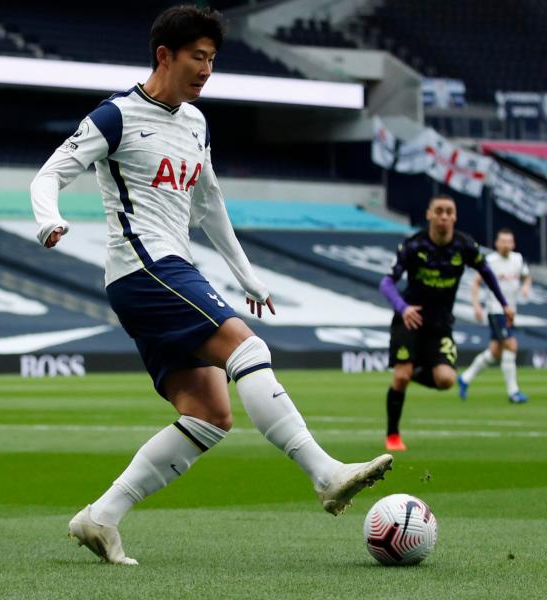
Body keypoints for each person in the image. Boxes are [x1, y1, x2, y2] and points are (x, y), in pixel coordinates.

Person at [30, 5, 392, 566]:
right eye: (198, 57)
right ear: (164, 56)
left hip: (172, 270)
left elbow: (209, 202)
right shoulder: (116, 116)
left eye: (213, 60)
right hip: (142, 267)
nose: (206, 69)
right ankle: (326, 474)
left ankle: (101, 516)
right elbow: (51, 171)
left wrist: (245, 273)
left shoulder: (195, 123)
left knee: (209, 414)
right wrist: (47, 217)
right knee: (247, 347)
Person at [379, 195, 513, 451]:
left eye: (448, 211)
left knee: (446, 380)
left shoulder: (464, 246)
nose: (443, 216)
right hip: (410, 320)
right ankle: (393, 435)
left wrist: (504, 302)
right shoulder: (413, 245)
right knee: (401, 377)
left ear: (455, 216)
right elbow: (386, 282)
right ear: (429, 214)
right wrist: (403, 307)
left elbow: (486, 272)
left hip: (440, 324)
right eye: (438, 211)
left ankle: (408, 369)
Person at [458, 228, 532, 403]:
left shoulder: (518, 259)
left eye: (509, 241)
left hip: (511, 311)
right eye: (503, 241)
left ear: (513, 244)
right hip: (496, 310)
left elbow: (527, 277)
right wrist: (476, 305)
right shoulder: (490, 261)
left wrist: (526, 286)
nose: (506, 245)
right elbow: (476, 282)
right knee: (511, 345)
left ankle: (465, 378)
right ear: (497, 243)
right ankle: (513, 392)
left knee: (494, 352)